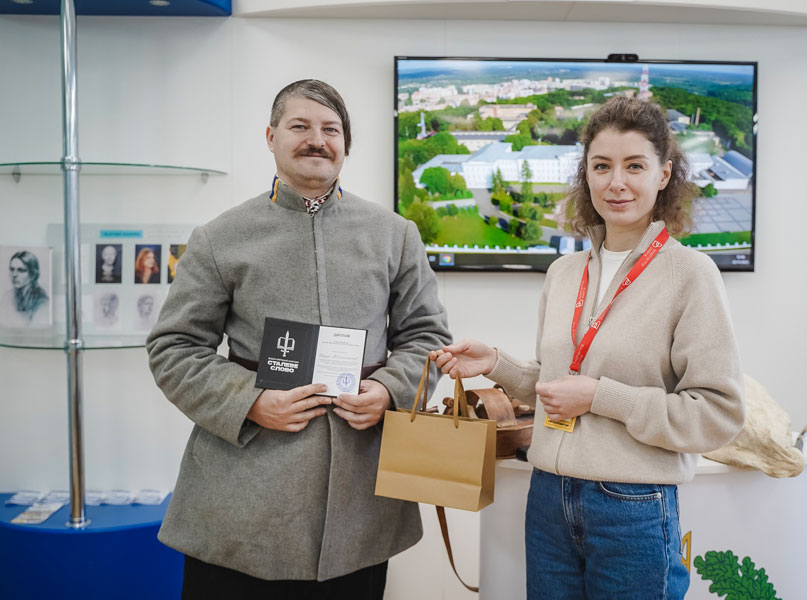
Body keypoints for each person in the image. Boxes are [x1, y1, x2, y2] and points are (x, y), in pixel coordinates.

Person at [146, 79, 450, 599]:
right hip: (240, 506)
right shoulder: (219, 237)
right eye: (300, 126)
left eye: (331, 129)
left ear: (346, 144)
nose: (317, 140)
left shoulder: (394, 234)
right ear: (271, 137)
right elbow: (174, 348)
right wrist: (251, 401)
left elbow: (426, 335)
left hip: (359, 505)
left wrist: (389, 391)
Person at [431, 96, 745, 599]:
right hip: (548, 498)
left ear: (664, 174)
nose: (616, 182)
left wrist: (602, 396)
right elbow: (558, 385)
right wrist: (498, 364)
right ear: (586, 175)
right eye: (601, 166)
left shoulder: (691, 275)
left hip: (633, 507)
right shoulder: (563, 272)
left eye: (634, 166)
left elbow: (717, 414)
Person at [1, 250, 51, 328]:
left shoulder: (42, 301)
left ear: (32, 274)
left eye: (21, 270)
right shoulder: (7, 298)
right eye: (12, 269)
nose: (14, 275)